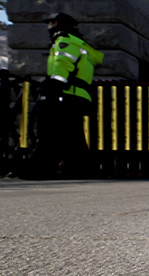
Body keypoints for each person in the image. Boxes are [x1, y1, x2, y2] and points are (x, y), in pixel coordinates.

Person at [29, 13, 103, 178]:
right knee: (72, 134)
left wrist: (52, 88)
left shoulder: (65, 42)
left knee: (49, 131)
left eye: (51, 23)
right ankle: (80, 169)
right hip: (77, 96)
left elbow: (62, 65)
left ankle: (40, 169)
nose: (49, 27)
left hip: (67, 94)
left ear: (59, 25)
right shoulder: (79, 43)